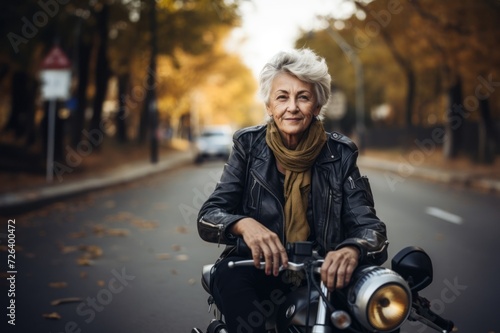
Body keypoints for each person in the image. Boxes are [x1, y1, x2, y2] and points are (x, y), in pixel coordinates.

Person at [197, 48, 388, 333]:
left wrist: (351, 249)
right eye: (282, 97)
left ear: (318, 106)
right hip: (257, 269)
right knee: (232, 281)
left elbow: (370, 228)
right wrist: (244, 224)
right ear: (269, 106)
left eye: (303, 97)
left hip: (324, 273)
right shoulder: (248, 146)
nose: (292, 107)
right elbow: (208, 216)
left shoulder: (341, 154)